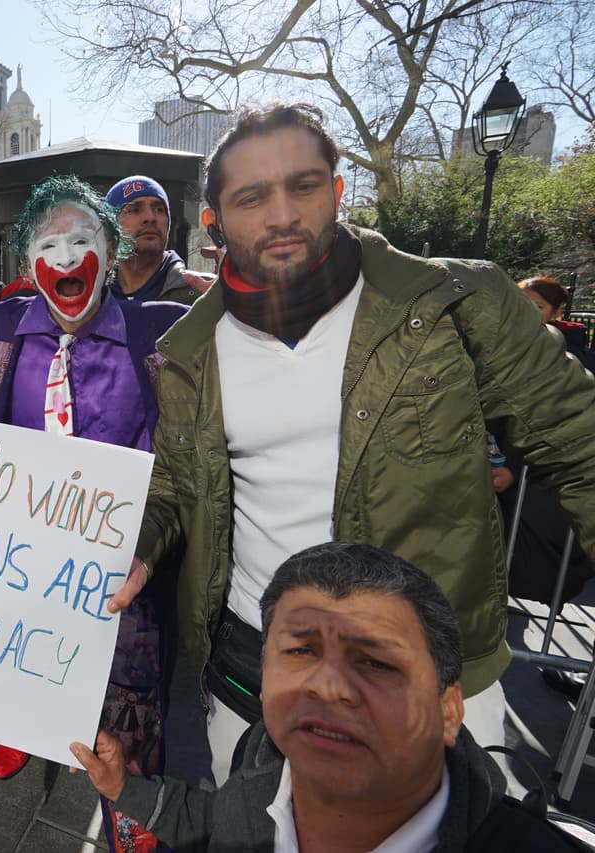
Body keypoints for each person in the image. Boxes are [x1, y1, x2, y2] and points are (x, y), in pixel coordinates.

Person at [108, 102, 595, 787]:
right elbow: (173, 485)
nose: (281, 214)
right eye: (252, 197)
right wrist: (139, 543)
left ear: (338, 193)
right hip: (249, 679)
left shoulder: (457, 302)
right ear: (214, 223)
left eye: (302, 186)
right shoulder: (188, 350)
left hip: (422, 682)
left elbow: (579, 442)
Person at [0, 175, 188, 781]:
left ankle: (131, 807)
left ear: (110, 253)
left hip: (124, 566)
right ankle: (20, 732)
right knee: (31, 671)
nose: (64, 256)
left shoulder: (163, 328)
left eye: (81, 239)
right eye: (46, 243)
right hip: (25, 561)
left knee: (126, 717)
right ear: (28, 262)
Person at [74, 542, 585, 852]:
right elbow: (219, 827)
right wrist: (126, 788)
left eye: (377, 661)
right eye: (301, 651)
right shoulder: (264, 773)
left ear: (448, 709)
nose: (329, 685)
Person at [104, 175, 211, 304]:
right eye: (135, 210)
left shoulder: (206, 293)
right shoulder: (92, 299)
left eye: (159, 209)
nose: (150, 217)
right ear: (111, 227)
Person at [518, 276, 595, 371]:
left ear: (556, 312)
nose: (525, 311)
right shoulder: (505, 336)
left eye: (538, 306)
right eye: (519, 304)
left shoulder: (568, 351)